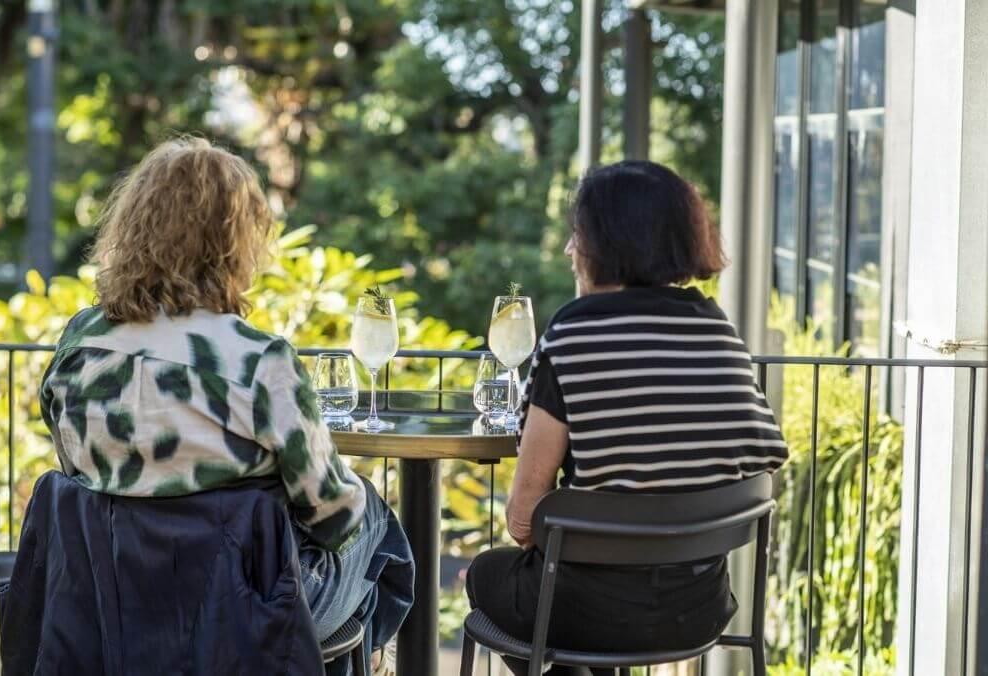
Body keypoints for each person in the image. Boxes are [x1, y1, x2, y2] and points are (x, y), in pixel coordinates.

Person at [38, 137, 413, 675]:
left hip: (105, 606)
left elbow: (73, 471)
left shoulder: (79, 346)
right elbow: (333, 516)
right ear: (234, 245)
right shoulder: (258, 362)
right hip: (237, 614)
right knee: (377, 528)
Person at [465, 160, 789, 676]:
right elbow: (764, 462)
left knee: (486, 574)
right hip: (699, 609)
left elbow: (523, 521)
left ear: (608, 243)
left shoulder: (572, 335)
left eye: (578, 236)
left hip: (585, 611)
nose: (571, 251)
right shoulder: (715, 328)